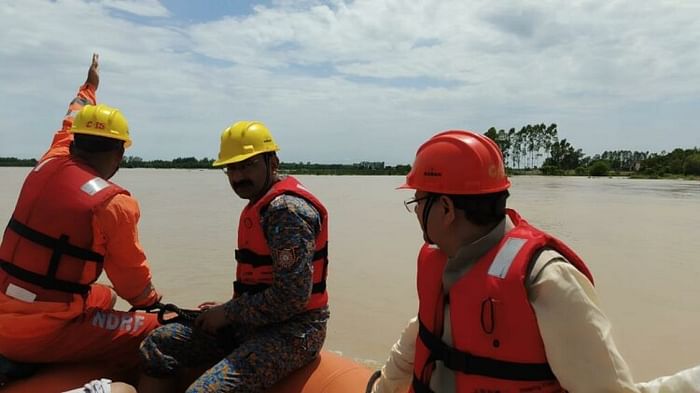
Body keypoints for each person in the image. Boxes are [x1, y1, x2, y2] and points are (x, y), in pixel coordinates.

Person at [368, 130, 700, 393]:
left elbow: (604, 388)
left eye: (418, 200)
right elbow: (422, 333)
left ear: (445, 209)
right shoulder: (445, 262)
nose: (414, 211)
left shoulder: (546, 279)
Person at [138, 121, 330, 392]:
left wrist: (229, 313)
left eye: (247, 165)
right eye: (232, 168)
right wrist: (232, 310)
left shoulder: (287, 212)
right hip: (254, 321)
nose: (238, 176)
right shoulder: (260, 203)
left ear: (272, 162)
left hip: (295, 331)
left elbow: (293, 297)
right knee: (157, 346)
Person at [0, 54, 162, 374]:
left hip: (4, 307)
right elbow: (136, 287)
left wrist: (90, 86)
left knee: (105, 296)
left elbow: (72, 112)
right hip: (39, 333)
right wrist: (157, 306)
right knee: (155, 327)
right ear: (119, 153)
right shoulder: (114, 204)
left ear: (75, 140)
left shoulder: (51, 158)